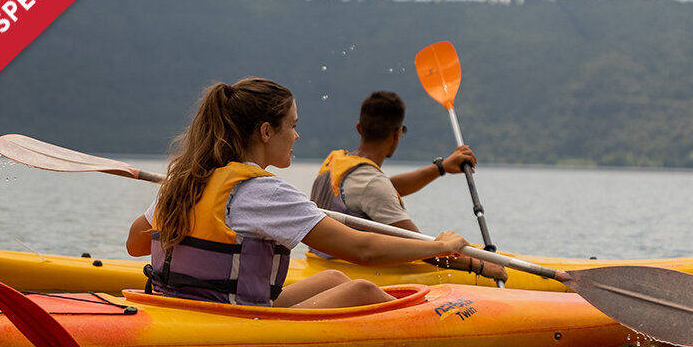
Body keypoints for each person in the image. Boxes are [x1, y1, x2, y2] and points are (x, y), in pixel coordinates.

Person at [126, 77, 470, 309]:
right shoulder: (264, 193)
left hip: (182, 307)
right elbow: (361, 249)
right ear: (265, 131)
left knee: (335, 278)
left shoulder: (185, 180)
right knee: (362, 288)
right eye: (292, 125)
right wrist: (441, 246)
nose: (296, 136)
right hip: (234, 319)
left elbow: (136, 244)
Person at [310, 90, 507, 282]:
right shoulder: (373, 185)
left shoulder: (337, 162)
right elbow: (426, 250)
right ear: (397, 133)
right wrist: (481, 266)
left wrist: (441, 168)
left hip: (318, 265)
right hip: (351, 276)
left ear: (359, 128)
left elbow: (384, 189)